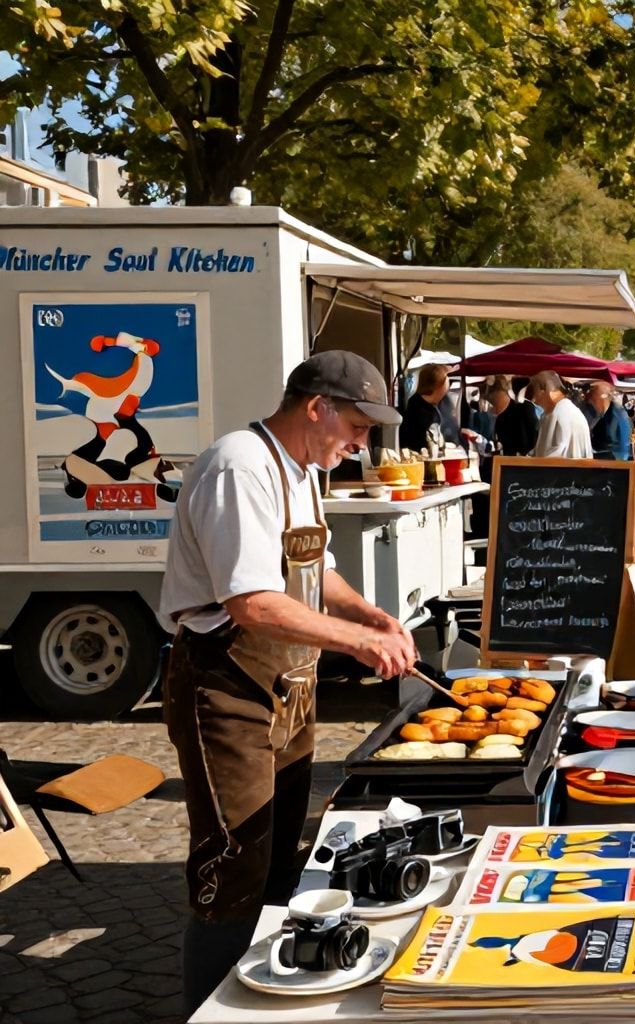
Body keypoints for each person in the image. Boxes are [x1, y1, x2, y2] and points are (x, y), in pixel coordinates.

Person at [158, 351, 417, 1012]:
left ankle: (265, 996)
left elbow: (313, 569)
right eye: (356, 426)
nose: (362, 443)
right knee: (233, 866)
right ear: (316, 408)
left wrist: (367, 611)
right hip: (226, 687)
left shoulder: (300, 470)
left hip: (287, 688)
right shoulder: (240, 466)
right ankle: (207, 1010)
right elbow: (251, 601)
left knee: (279, 859)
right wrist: (360, 642)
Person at [398, 363, 473, 451]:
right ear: (438, 385)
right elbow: (414, 443)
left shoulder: (444, 401)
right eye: (446, 380)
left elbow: (451, 429)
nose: (448, 386)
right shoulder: (415, 411)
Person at [530, 369, 594, 459]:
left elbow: (556, 456)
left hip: (567, 472)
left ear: (544, 391)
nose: (534, 399)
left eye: (534, 391)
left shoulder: (562, 412)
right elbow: (541, 450)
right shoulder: (555, 412)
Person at [489, 374, 539, 457]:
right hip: (523, 457)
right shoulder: (527, 407)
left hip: (514, 457)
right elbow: (534, 432)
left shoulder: (502, 413)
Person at [589, 381, 635, 462]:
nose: (592, 401)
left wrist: (620, 463)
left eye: (594, 396)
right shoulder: (602, 414)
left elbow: (623, 444)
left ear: (603, 396)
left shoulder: (618, 414)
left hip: (613, 461)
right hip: (604, 459)